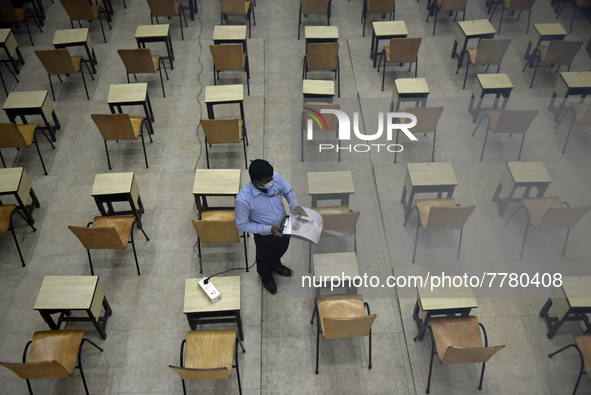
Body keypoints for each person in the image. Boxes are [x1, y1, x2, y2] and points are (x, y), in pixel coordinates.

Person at [235, 159, 306, 294]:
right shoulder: (243, 199)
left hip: (284, 226)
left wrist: (295, 206)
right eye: (269, 180)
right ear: (256, 182)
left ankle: (276, 265)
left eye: (272, 177)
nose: (273, 180)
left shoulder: (274, 178)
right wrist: (269, 229)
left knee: (280, 249)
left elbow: (288, 191)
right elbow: (241, 224)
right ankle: (266, 276)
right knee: (264, 258)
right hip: (265, 236)